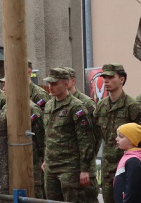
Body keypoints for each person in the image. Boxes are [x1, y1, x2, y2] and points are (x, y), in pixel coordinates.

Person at [41, 68, 95, 202]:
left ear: (66, 84)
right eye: (49, 83)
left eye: (54, 84)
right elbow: (49, 135)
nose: (50, 87)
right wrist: (46, 159)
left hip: (70, 167)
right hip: (51, 166)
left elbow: (85, 140)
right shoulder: (48, 105)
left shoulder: (76, 107)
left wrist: (85, 169)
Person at [95, 63, 141, 203]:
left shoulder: (132, 106)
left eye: (110, 77)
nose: (106, 81)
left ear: (121, 79)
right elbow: (96, 135)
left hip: (128, 166)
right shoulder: (101, 106)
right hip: (107, 168)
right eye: (104, 77)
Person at [61, 66, 102, 203]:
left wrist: (88, 160)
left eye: (64, 79)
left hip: (83, 163)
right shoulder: (55, 103)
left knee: (87, 197)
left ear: (72, 81)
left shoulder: (86, 104)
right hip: (63, 164)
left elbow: (95, 135)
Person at [0, 78, 46, 199]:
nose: (4, 88)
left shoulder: (31, 108)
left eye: (7, 85)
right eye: (3, 85)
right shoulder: (5, 107)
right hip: (12, 159)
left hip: (32, 160)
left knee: (34, 194)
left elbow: (41, 138)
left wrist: (42, 158)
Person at [114, 123, 141, 203]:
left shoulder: (133, 161)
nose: (116, 139)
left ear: (132, 140)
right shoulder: (128, 156)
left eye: (121, 136)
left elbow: (132, 189)